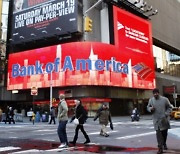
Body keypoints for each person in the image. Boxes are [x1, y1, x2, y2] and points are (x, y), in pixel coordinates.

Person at [147, 88, 172, 154]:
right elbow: (148, 107)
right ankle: (160, 148)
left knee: (164, 133)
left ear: (159, 93)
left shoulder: (165, 99)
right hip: (156, 120)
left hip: (164, 119)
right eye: (154, 93)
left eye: (156, 93)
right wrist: (150, 109)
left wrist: (166, 114)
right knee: (158, 134)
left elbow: (170, 107)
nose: (155, 94)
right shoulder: (151, 100)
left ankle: (164, 143)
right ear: (153, 94)